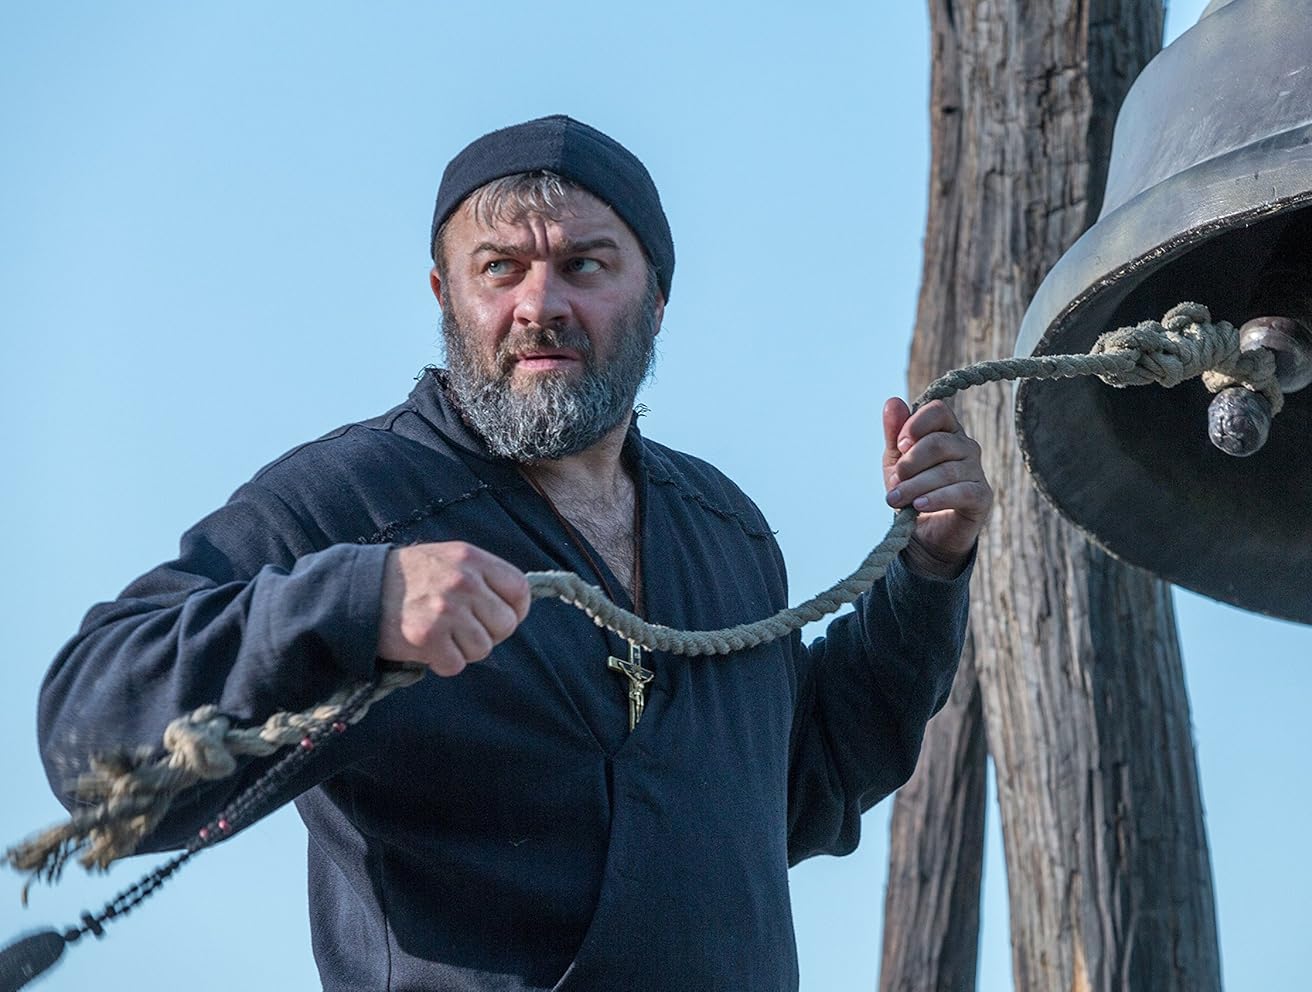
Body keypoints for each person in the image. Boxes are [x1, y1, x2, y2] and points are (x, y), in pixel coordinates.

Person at [36, 115, 993, 991]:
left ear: (657, 298)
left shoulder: (726, 530)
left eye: (585, 265)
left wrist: (928, 570)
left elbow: (794, 793)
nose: (540, 304)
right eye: (500, 268)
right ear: (444, 294)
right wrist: (358, 603)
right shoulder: (345, 502)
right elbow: (88, 724)